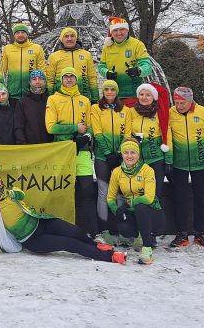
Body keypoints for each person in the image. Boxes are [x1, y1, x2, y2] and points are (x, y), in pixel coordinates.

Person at [0, 169, 126, 264]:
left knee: (75, 231)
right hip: (33, 240)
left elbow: (21, 194)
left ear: (1, 181)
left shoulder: (12, 191)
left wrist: (9, 193)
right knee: (70, 244)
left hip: (41, 222)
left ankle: (97, 246)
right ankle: (110, 257)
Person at [45, 67, 97, 236]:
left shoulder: (85, 100)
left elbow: (90, 125)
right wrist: (75, 128)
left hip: (82, 151)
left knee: (88, 191)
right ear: (61, 80)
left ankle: (94, 232)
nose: (69, 79)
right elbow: (51, 127)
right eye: (65, 76)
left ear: (76, 79)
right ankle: (63, 230)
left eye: (72, 76)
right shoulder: (53, 99)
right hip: (63, 150)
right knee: (63, 192)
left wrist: (86, 136)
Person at [168, 86, 204, 249]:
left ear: (190, 101)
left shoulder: (203, 113)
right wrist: (169, 161)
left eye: (182, 103)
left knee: (201, 199)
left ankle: (200, 234)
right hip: (179, 164)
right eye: (176, 102)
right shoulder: (170, 113)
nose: (179, 106)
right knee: (179, 200)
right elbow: (168, 138)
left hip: (201, 164)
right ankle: (181, 234)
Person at [107, 138, 165, 265]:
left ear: (138, 154)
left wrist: (128, 204)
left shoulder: (147, 170)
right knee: (123, 228)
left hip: (152, 213)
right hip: (132, 213)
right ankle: (139, 234)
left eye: (133, 152)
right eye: (126, 152)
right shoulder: (117, 172)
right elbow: (110, 198)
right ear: (122, 155)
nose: (129, 156)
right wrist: (117, 210)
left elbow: (149, 198)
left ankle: (147, 248)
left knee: (141, 207)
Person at [90, 80, 132, 244]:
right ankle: (104, 230)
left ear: (117, 92)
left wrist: (120, 153)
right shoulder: (96, 108)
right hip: (103, 157)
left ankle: (122, 230)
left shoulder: (125, 110)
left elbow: (127, 133)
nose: (109, 92)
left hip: (120, 158)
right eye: (106, 89)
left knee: (120, 194)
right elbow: (97, 132)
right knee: (103, 193)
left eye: (112, 89)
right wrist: (108, 153)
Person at [129, 83, 172, 199]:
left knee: (154, 196)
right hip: (136, 161)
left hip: (156, 160)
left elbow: (167, 136)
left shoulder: (160, 113)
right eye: (141, 94)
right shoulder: (131, 112)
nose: (144, 97)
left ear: (154, 97)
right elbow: (125, 133)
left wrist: (168, 161)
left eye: (148, 95)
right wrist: (132, 139)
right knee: (137, 196)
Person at [98, 17, 152, 106]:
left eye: (122, 29)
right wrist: (107, 73)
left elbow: (148, 67)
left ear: (127, 30)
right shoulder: (107, 47)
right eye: (115, 30)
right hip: (113, 94)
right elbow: (101, 66)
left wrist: (138, 71)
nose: (119, 33)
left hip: (134, 93)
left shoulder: (137, 44)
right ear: (111, 32)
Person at [0, 23, 46, 108]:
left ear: (27, 34)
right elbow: (2, 71)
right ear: (14, 35)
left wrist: (42, 89)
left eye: (23, 32)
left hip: (32, 93)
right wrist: (1, 88)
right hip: (13, 94)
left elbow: (42, 70)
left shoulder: (37, 48)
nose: (20, 35)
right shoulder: (7, 49)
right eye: (17, 33)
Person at [46, 27, 98, 103]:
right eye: (66, 36)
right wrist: (48, 99)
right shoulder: (54, 56)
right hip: (60, 100)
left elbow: (92, 78)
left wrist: (95, 99)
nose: (69, 39)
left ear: (76, 38)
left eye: (72, 36)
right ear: (61, 39)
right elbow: (49, 80)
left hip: (83, 97)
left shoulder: (86, 55)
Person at [13, 70, 53, 145]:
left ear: (45, 82)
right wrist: (22, 144)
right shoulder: (22, 102)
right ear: (30, 82)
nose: (37, 82)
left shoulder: (51, 101)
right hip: (29, 147)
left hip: (50, 147)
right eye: (34, 79)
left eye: (40, 79)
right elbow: (18, 126)